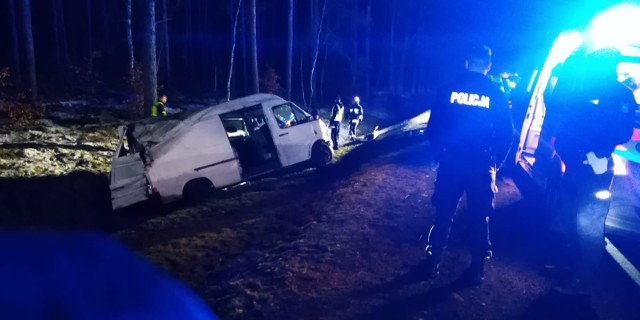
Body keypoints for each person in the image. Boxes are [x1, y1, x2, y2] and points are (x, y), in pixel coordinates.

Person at [544, 48, 637, 296]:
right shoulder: (586, 89)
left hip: (595, 168)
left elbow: (622, 132)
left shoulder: (620, 96)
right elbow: (566, 118)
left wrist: (595, 150)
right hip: (574, 165)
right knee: (570, 218)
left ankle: (582, 282)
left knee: (589, 225)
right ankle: (569, 266)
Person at [424, 45, 514, 284]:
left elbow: (433, 128)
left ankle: (432, 263)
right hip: (481, 164)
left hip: (452, 161)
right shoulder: (496, 94)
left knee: (443, 214)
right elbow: (507, 133)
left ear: (466, 62)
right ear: (488, 65)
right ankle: (477, 269)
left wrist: (439, 154)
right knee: (479, 217)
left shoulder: (449, 88)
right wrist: (496, 162)